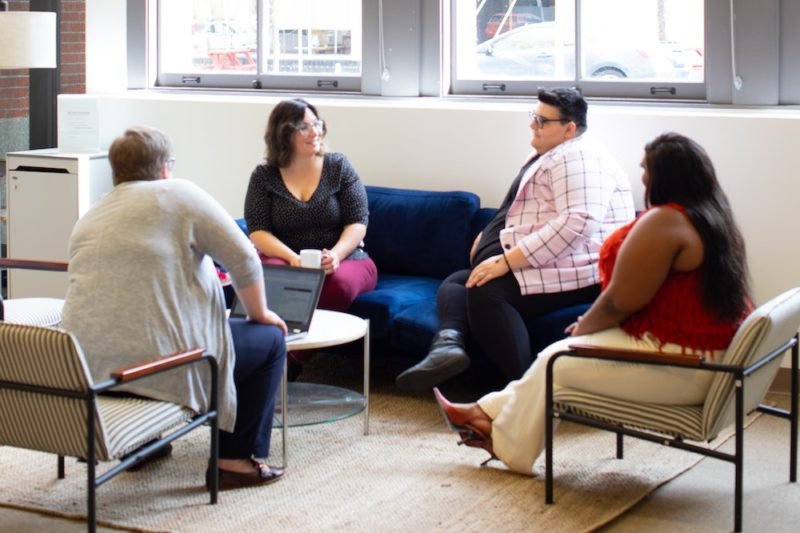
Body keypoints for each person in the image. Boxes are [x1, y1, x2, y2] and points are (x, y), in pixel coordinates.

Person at [432, 132, 752, 475]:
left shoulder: (666, 221)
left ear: (665, 175)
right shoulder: (713, 218)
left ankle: (503, 440)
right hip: (700, 351)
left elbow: (619, 300)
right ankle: (483, 415)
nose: (641, 175)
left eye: (646, 168)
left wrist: (584, 328)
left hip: (684, 362)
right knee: (556, 359)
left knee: (558, 360)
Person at [61, 126, 288, 490]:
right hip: (159, 369)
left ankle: (143, 443)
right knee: (269, 341)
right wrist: (260, 313)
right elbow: (244, 258)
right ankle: (233, 460)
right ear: (166, 167)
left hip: (90, 370)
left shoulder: (92, 214)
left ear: (116, 170)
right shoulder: (179, 194)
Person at [395, 87, 635, 393]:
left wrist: (507, 260)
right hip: (555, 262)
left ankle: (525, 392)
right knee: (458, 282)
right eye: (533, 117)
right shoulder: (551, 153)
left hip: (579, 269)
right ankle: (447, 346)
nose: (532, 125)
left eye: (541, 120)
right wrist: (488, 236)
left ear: (569, 128)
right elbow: (526, 209)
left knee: (486, 292)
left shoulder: (580, 158)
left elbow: (579, 223)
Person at [244, 98, 378, 374]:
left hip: (347, 258)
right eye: (304, 127)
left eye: (316, 124)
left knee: (336, 284)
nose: (315, 132)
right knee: (274, 275)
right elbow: (257, 229)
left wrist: (337, 255)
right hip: (287, 256)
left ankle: (291, 361)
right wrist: (291, 258)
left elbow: (358, 221)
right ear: (284, 133)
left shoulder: (338, 166)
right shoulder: (264, 175)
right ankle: (270, 352)